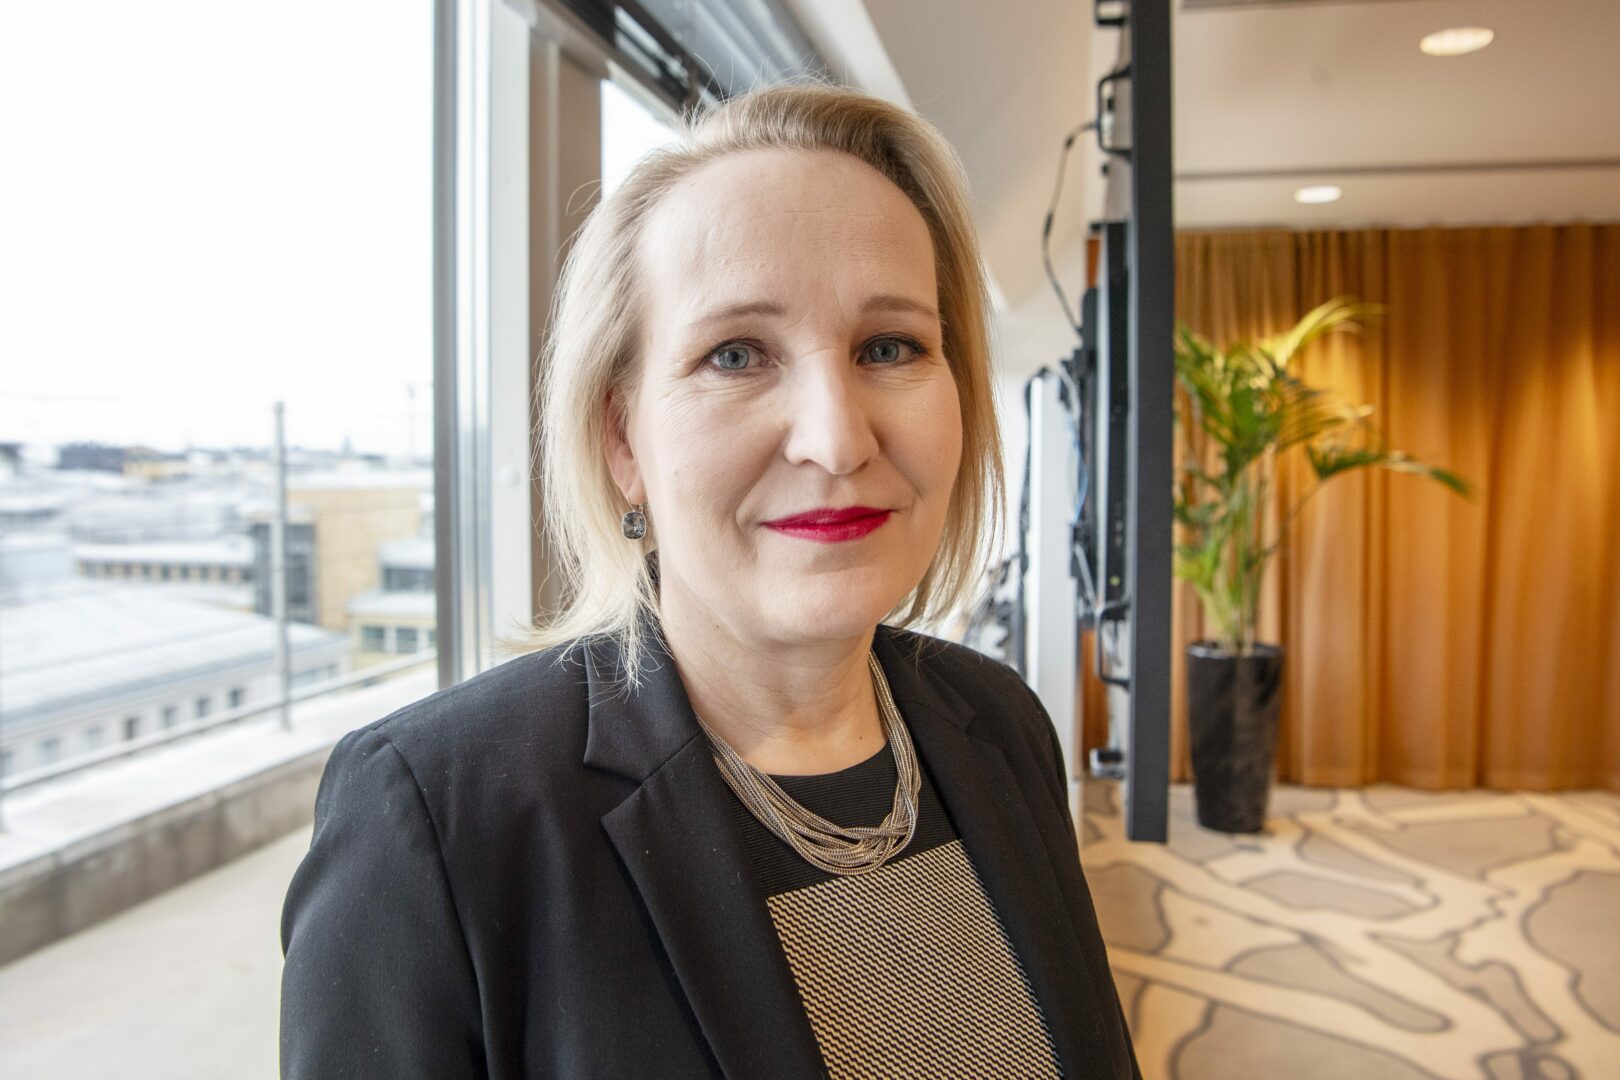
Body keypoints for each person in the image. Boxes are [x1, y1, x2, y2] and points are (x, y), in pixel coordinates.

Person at [279, 79, 1141, 1080]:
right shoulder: (436, 820)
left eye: (889, 347)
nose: (837, 439)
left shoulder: (1001, 721)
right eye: (736, 355)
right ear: (622, 437)